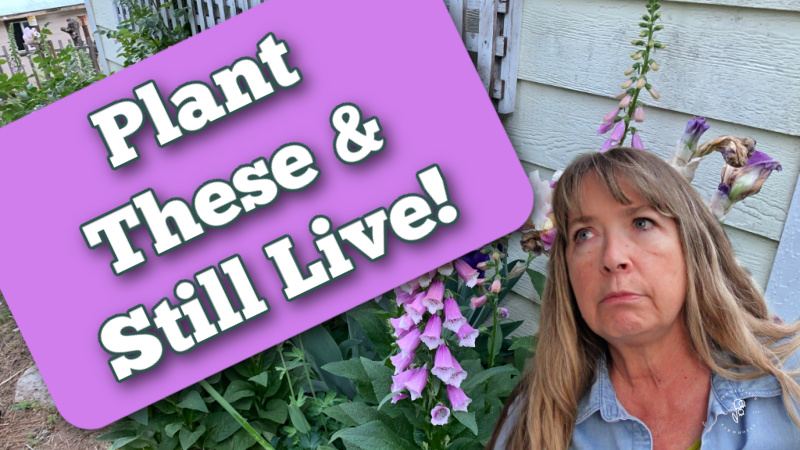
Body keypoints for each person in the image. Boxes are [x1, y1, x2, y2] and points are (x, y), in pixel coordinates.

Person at [487, 147, 800, 449]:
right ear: (566, 273)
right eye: (584, 234)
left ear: (694, 247)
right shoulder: (535, 423)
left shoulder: (790, 382)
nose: (612, 257)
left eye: (642, 223)